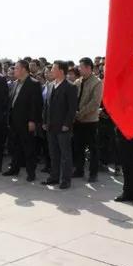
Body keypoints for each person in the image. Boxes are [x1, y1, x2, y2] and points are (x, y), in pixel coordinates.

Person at [4, 60, 43, 181]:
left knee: (28, 148)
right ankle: (14, 168)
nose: (14, 70)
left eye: (16, 68)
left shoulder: (34, 83)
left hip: (26, 122)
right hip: (14, 120)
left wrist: (32, 120)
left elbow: (36, 105)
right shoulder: (16, 83)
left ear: (24, 69)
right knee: (15, 146)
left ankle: (31, 173)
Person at [42, 61, 78, 189]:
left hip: (63, 126)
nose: (51, 71)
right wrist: (45, 121)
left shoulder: (70, 87)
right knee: (53, 153)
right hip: (50, 126)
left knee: (65, 155)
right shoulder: (50, 85)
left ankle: (65, 180)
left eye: (53, 69)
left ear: (61, 71)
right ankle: (54, 177)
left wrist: (67, 124)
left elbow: (72, 109)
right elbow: (46, 106)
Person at [72, 57, 103, 182]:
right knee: (78, 146)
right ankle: (79, 170)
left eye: (81, 67)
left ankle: (93, 173)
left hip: (90, 121)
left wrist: (80, 113)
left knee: (93, 148)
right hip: (78, 120)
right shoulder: (77, 82)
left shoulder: (97, 82)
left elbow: (95, 103)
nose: (79, 69)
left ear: (88, 67)